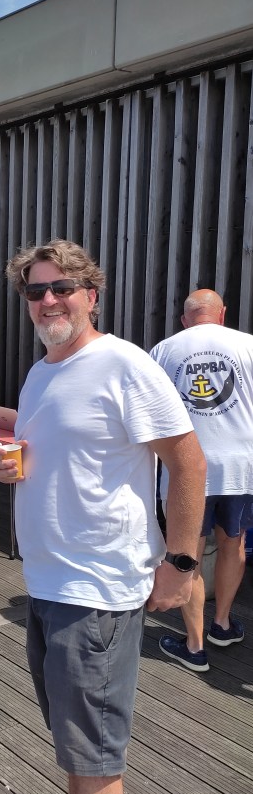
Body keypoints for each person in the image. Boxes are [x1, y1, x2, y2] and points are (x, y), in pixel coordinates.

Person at [0, 240, 205, 794]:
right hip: (48, 581)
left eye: (62, 288)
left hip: (97, 589)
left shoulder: (123, 364)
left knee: (93, 749)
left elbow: (189, 464)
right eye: (36, 290)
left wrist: (181, 563)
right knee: (74, 732)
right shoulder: (42, 371)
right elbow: (62, 454)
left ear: (91, 294)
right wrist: (13, 467)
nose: (48, 300)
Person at [150, 288, 253, 672]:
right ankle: (222, 625)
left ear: (184, 319)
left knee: (186, 556)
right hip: (241, 467)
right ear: (222, 314)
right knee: (233, 544)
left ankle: (194, 647)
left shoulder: (163, 351)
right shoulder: (249, 345)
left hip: (186, 470)